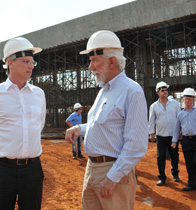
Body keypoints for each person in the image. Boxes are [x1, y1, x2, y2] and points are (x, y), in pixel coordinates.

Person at [65, 30, 148, 210]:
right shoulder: (104, 91)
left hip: (112, 172)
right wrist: (79, 128)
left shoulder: (131, 91)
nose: (90, 67)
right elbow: (100, 125)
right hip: (92, 169)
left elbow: (137, 144)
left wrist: (112, 178)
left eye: (94, 60)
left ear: (112, 61)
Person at [0, 37, 46, 210]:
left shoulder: (39, 94)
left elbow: (39, 125)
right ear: (11, 63)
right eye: (26, 61)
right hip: (2, 170)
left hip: (32, 170)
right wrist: (3, 149)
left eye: (32, 62)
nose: (31, 66)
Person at [148, 81, 180, 186]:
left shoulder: (175, 104)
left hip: (173, 136)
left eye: (166, 90)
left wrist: (180, 131)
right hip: (161, 136)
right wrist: (151, 133)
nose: (165, 92)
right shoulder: (154, 106)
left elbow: (179, 118)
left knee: (174, 156)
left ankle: (175, 174)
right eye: (162, 90)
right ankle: (162, 177)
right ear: (157, 92)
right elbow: (151, 120)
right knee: (160, 157)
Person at [172, 88, 196, 191]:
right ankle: (192, 184)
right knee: (189, 163)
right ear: (183, 100)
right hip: (186, 141)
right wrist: (174, 141)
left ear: (193, 100)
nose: (187, 101)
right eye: (185, 99)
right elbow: (177, 129)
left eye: (189, 99)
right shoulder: (180, 114)